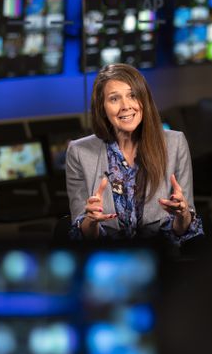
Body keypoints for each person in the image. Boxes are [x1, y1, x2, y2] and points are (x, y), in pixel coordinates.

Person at [65, 63, 204, 244]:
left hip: (161, 257)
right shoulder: (79, 152)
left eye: (133, 95)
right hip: (106, 260)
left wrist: (183, 215)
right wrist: (91, 221)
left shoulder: (175, 143)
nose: (126, 106)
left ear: (143, 100)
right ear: (102, 108)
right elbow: (81, 234)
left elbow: (184, 230)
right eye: (114, 99)